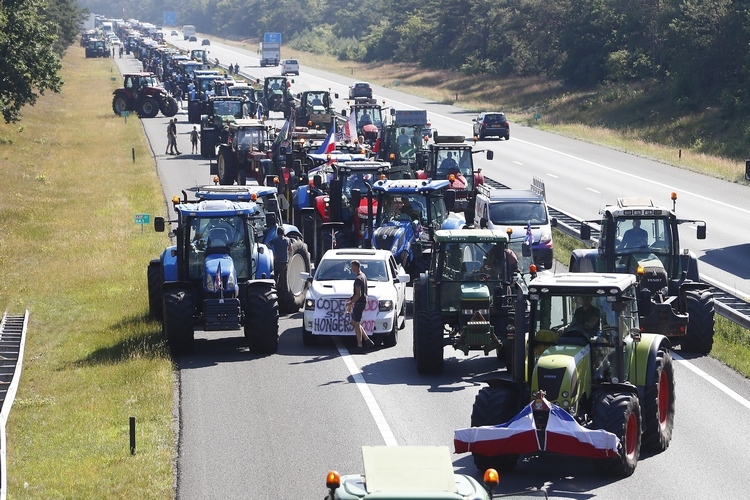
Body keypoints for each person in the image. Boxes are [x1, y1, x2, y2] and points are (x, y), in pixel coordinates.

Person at [346, 260, 375, 353]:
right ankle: (367, 340)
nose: (351, 268)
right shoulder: (363, 276)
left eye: (351, 267)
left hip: (359, 303)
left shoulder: (358, 279)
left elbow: (358, 294)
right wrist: (352, 297)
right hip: (362, 302)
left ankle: (359, 346)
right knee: (355, 322)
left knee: (356, 323)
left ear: (355, 267)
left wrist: (351, 302)